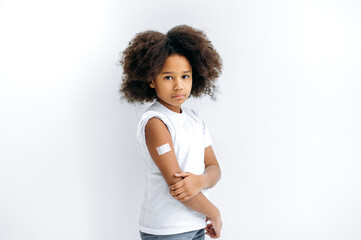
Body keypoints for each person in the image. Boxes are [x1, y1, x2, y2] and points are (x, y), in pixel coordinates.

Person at [119, 25, 223, 240]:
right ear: (151, 80)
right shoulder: (156, 122)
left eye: (185, 76)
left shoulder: (195, 119)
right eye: (168, 77)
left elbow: (214, 169)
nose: (178, 86)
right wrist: (214, 212)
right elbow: (177, 186)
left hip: (196, 223)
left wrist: (199, 181)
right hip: (167, 230)